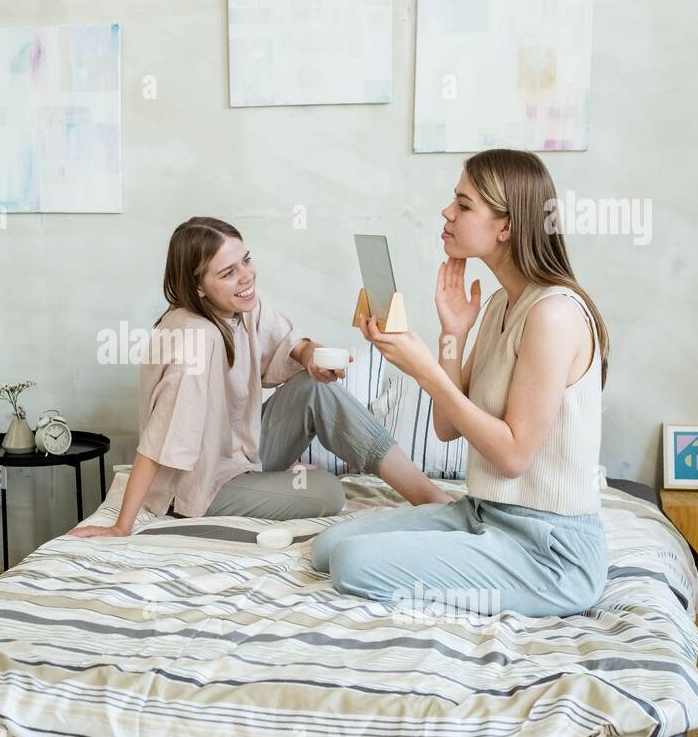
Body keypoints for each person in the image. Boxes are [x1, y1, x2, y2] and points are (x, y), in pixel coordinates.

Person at [312, 149, 611, 617]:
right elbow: (448, 427)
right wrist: (452, 334)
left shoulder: (554, 314)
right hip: (482, 514)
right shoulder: (500, 304)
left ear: (507, 226)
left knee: (352, 563)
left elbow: (513, 456)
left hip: (548, 553)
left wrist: (424, 368)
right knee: (326, 547)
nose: (446, 213)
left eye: (464, 204)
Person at [69, 216, 448, 540]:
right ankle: (279, 485)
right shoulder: (193, 343)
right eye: (228, 273)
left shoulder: (241, 305)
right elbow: (160, 438)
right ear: (198, 286)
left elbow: (284, 342)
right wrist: (122, 525)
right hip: (199, 487)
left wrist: (309, 354)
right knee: (328, 492)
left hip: (239, 453)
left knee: (312, 388)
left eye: (246, 261)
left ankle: (430, 497)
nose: (246, 276)